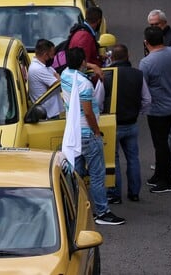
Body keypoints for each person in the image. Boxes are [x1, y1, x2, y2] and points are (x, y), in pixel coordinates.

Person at [61, 47, 125, 225]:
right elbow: (88, 112)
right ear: (82, 62)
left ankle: (75, 208)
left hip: (74, 134)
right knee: (97, 175)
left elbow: (74, 66)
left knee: (77, 174)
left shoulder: (65, 75)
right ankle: (102, 212)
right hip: (88, 134)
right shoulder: (85, 84)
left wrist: (88, 65)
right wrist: (97, 131)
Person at [105, 44, 151, 204]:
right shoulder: (138, 75)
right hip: (131, 123)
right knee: (133, 158)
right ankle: (134, 192)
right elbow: (147, 99)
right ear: (128, 56)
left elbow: (97, 99)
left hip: (113, 124)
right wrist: (138, 112)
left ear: (112, 58)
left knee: (114, 159)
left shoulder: (108, 75)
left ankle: (115, 194)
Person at [139, 26, 171, 193]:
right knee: (162, 142)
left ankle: (167, 181)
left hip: (158, 109)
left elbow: (143, 86)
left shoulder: (146, 62)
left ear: (146, 42)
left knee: (161, 144)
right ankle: (159, 174)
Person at [147, 9, 171, 175]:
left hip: (169, 89)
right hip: (161, 89)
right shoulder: (156, 38)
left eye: (157, 24)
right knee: (165, 131)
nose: (154, 27)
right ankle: (165, 161)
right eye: (151, 25)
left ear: (165, 23)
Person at [28, 39, 62, 119]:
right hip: (48, 115)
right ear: (45, 55)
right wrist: (58, 80)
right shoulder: (38, 69)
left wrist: (57, 80)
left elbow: (57, 82)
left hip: (52, 112)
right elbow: (60, 85)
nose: (53, 57)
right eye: (52, 54)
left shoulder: (45, 67)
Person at [68, 6, 105, 78]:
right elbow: (79, 63)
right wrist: (94, 66)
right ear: (99, 21)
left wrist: (99, 57)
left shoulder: (83, 32)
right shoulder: (84, 37)